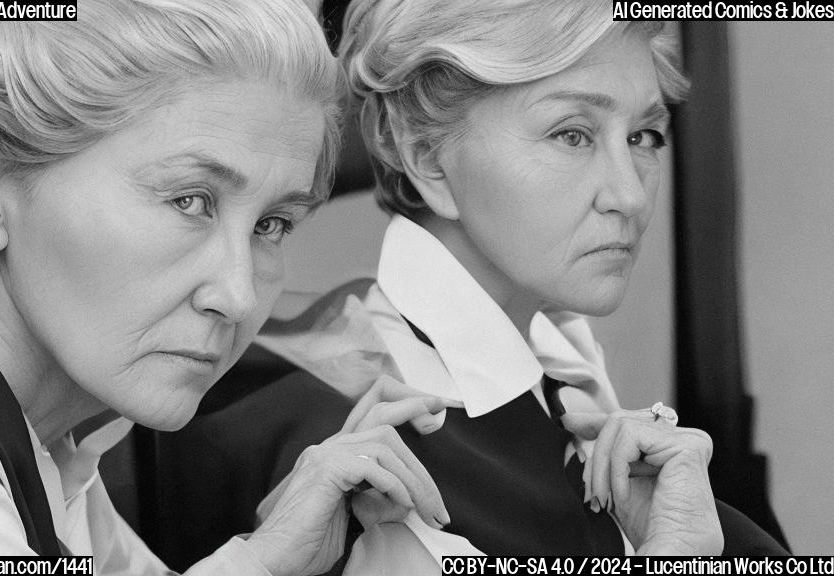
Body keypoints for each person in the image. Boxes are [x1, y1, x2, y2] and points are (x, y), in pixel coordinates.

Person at [0, 2, 454, 574]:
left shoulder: (45, 445)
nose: (236, 295)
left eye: (271, 224)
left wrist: (294, 539)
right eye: (189, 201)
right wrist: (259, 559)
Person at [168, 0, 789, 568]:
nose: (630, 195)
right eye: (571, 134)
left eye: (643, 137)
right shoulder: (351, 437)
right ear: (425, 154)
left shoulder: (562, 369)